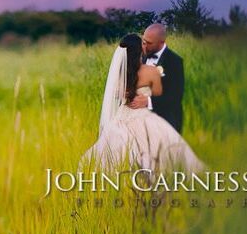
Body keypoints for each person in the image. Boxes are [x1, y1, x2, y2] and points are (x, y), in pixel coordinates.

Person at [80, 33, 204, 173]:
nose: (145, 45)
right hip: (145, 117)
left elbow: (115, 94)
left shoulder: (119, 74)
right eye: (143, 44)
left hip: (123, 117)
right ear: (140, 50)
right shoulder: (152, 72)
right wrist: (146, 99)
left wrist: (127, 95)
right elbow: (158, 95)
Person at [127, 23, 184, 133]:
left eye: (149, 43)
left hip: (167, 121)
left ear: (161, 42)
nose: (144, 45)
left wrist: (148, 101)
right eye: (144, 41)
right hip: (141, 121)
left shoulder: (175, 61)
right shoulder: (139, 55)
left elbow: (175, 97)